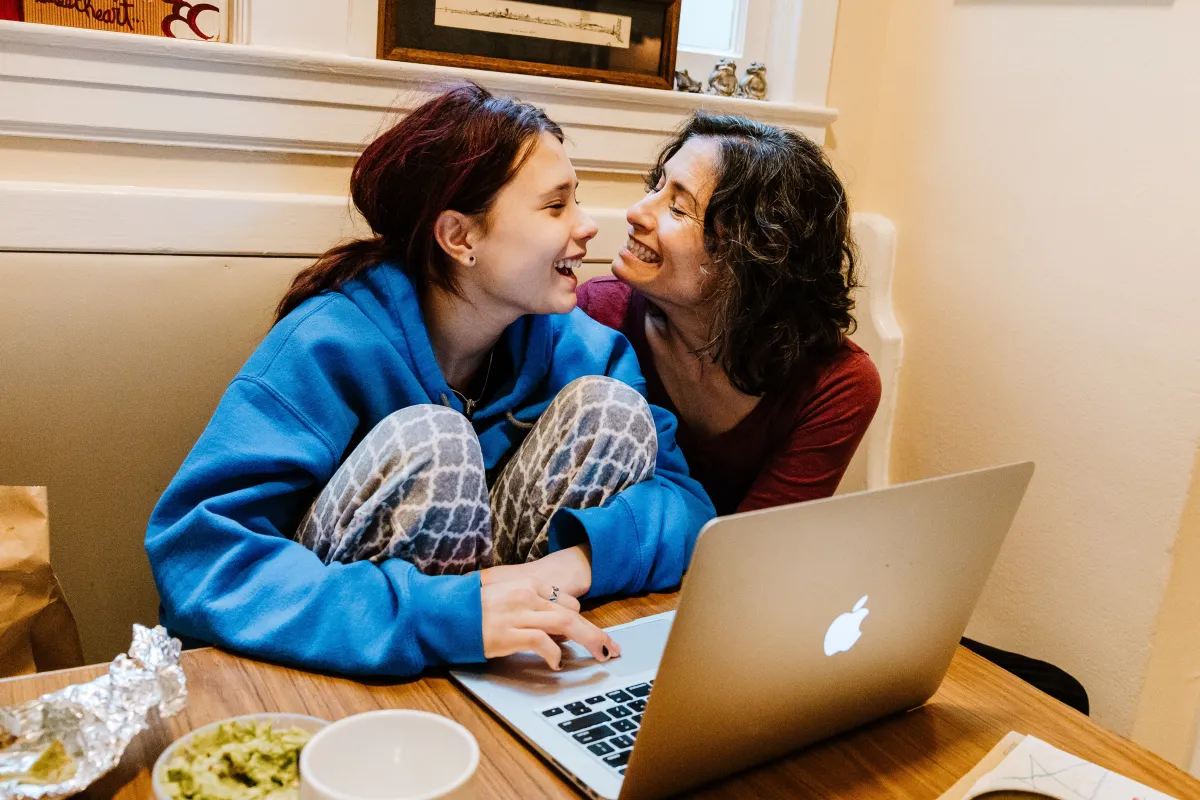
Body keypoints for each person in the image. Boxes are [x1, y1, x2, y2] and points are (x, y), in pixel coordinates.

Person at [144, 83, 715, 678]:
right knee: (435, 443)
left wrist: (569, 566)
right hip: (351, 653)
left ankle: (523, 702)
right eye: (556, 205)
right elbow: (197, 554)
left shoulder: (581, 345)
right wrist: (447, 615)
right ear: (460, 237)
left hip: (519, 653)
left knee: (612, 410)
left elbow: (689, 508)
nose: (588, 225)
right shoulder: (330, 342)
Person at [579, 112, 1088, 715]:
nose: (639, 210)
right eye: (657, 185)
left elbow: (752, 567)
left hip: (751, 615)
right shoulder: (596, 318)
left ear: (751, 255)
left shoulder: (837, 382)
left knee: (1053, 692)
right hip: (628, 603)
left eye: (678, 205)